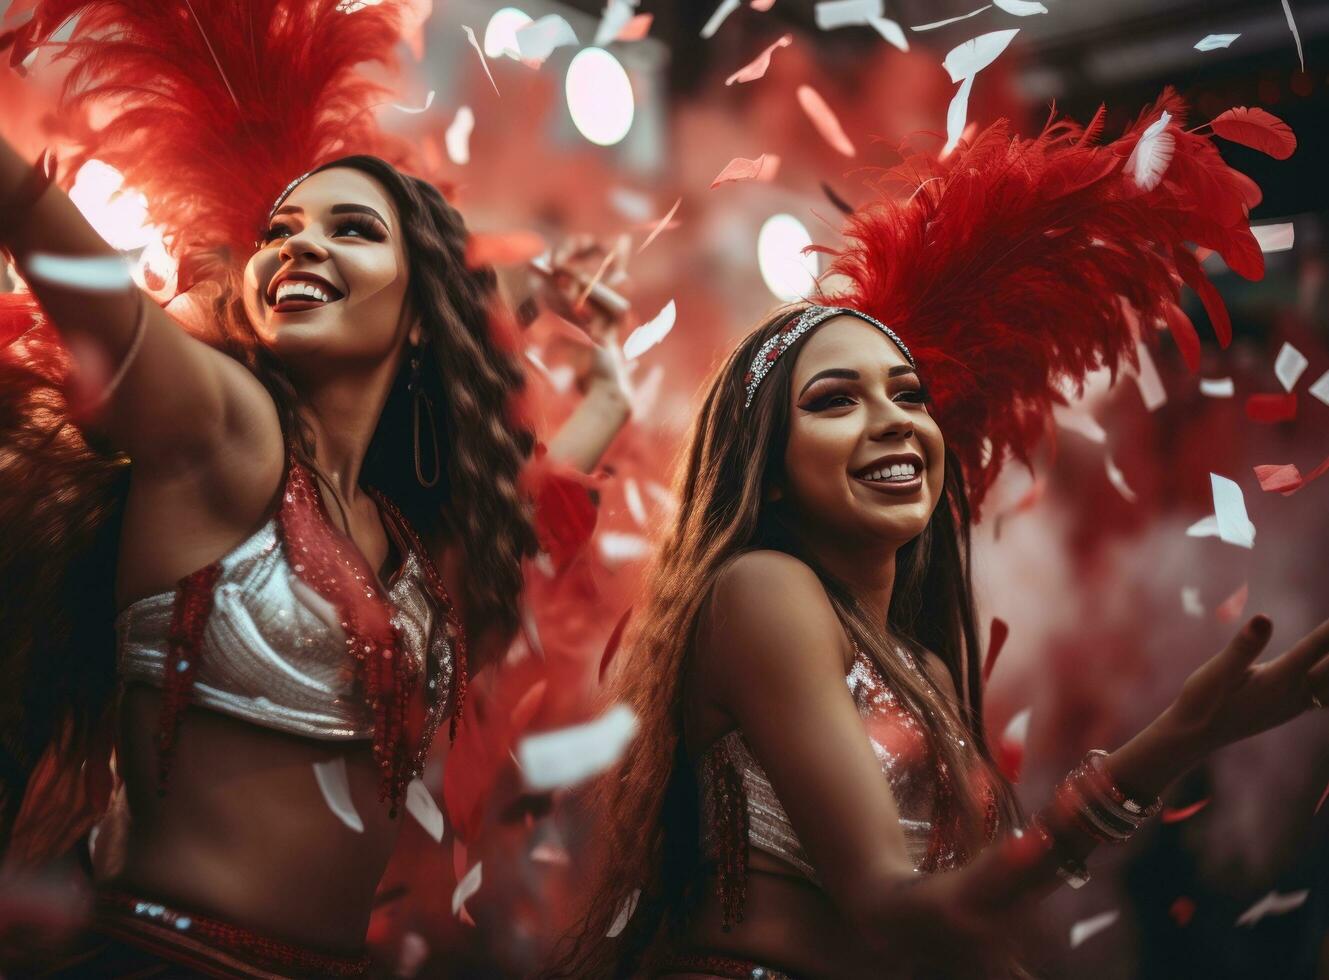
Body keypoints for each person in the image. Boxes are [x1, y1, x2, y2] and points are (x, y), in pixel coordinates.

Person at [551, 97, 1327, 978]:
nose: (893, 421)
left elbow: (960, 927)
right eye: (835, 400)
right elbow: (890, 904)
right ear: (765, 468)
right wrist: (1173, 739)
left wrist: (1192, 737)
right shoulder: (762, 589)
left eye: (907, 395)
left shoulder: (916, 666)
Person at [0, 1, 628, 975]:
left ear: (423, 314)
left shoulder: (418, 547)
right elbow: (55, 242)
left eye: (352, 229)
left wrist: (606, 384)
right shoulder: (225, 434)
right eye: (280, 230)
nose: (298, 244)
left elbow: (525, 510)